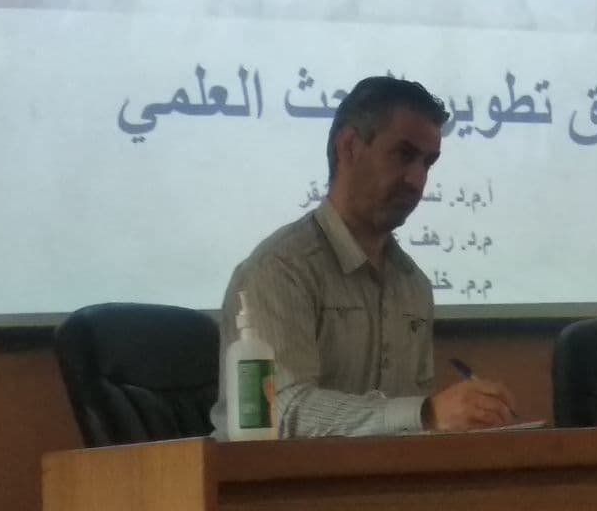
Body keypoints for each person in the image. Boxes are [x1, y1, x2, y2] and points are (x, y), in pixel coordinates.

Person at [211, 76, 516, 437]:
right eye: (403, 155)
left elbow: (410, 434)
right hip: (274, 475)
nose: (417, 180)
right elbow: (281, 413)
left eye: (428, 163)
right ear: (350, 147)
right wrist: (425, 414)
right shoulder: (279, 270)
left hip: (380, 474)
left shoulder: (413, 285)